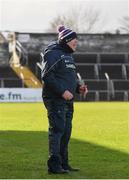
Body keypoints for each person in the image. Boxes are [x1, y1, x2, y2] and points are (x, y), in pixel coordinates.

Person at [41, 25, 88, 174]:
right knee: (57, 130)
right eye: (74, 40)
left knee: (66, 132)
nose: (76, 43)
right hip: (56, 99)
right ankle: (54, 166)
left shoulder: (68, 55)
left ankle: (63, 164)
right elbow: (47, 76)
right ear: (66, 40)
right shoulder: (53, 53)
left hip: (67, 100)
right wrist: (62, 92)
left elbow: (67, 78)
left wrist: (77, 88)